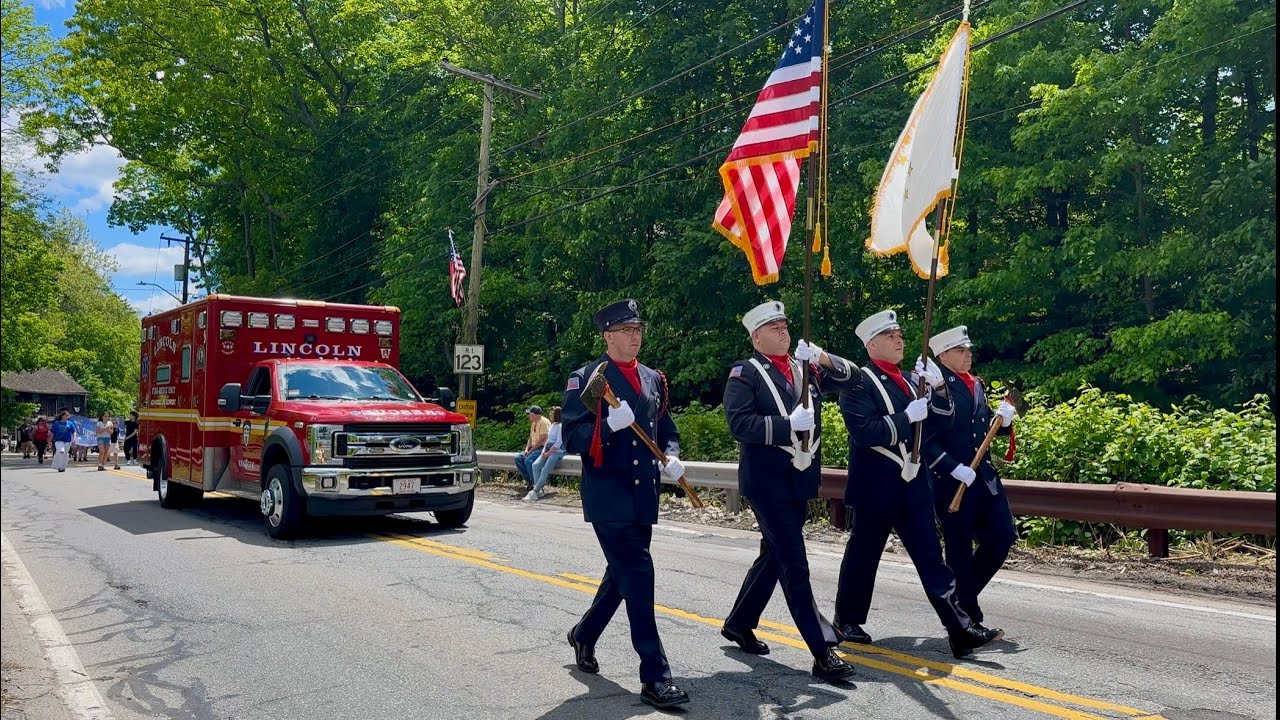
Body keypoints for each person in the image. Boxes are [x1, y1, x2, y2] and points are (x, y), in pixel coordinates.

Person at [832, 310, 1002, 659]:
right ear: (872, 343)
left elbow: (941, 423)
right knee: (864, 555)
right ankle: (847, 619)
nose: (900, 340)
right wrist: (904, 418)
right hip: (876, 484)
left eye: (899, 334)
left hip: (913, 484)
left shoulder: (913, 380)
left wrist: (939, 390)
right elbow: (864, 432)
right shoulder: (859, 383)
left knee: (931, 558)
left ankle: (960, 628)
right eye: (891, 336)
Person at [561, 299, 690, 709]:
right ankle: (655, 675)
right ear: (608, 336)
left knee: (622, 577)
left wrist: (670, 453)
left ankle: (584, 634)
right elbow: (571, 438)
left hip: (642, 495)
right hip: (609, 496)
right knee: (639, 574)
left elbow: (664, 425)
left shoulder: (652, 378)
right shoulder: (587, 378)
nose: (636, 336)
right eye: (627, 330)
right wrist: (607, 427)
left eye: (639, 330)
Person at [720, 300, 858, 682]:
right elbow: (740, 424)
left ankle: (739, 621)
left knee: (774, 555)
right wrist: (785, 425)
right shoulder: (745, 373)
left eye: (784, 324)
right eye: (774, 326)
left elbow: (855, 379)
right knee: (794, 562)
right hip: (767, 483)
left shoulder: (804, 368)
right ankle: (822, 649)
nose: (783, 330)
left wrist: (823, 357)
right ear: (756, 336)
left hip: (799, 479)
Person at [926, 326, 1019, 635]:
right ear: (942, 356)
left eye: (968, 350)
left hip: (984, 480)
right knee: (959, 550)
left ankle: (960, 601)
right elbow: (927, 440)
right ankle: (967, 620)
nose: (968, 355)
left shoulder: (975, 384)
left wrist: (1004, 421)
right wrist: (952, 468)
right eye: (960, 351)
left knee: (1002, 538)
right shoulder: (934, 387)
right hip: (953, 481)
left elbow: (984, 429)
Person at [524, 406, 565, 501]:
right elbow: (548, 440)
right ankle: (539, 491)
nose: (550, 415)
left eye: (552, 413)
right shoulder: (553, 425)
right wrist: (544, 452)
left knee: (545, 469)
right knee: (535, 465)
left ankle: (535, 491)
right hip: (547, 450)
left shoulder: (560, 427)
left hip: (557, 451)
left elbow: (558, 443)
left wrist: (549, 453)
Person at [513, 406, 550, 488]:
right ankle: (528, 480)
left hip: (542, 448)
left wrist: (530, 451)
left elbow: (541, 440)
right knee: (518, 458)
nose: (529, 416)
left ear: (537, 415)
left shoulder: (543, 422)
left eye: (530, 414)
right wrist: (526, 449)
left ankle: (536, 483)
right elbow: (530, 438)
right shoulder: (534, 423)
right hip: (533, 448)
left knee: (528, 461)